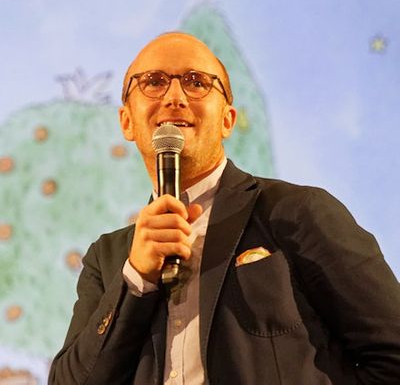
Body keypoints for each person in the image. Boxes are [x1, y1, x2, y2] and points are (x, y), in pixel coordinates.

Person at [49, 32, 400, 385]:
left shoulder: (297, 212)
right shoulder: (107, 259)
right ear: (126, 121)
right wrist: (137, 277)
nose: (174, 97)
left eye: (196, 82)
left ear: (228, 119)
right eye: (153, 82)